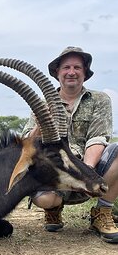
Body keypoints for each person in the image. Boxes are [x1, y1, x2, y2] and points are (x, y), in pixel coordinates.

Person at [22, 46, 118, 243]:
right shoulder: (42, 103)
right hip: (57, 174)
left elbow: (97, 138)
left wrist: (86, 172)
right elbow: (26, 142)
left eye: (77, 67)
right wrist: (40, 126)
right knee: (45, 198)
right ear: (58, 72)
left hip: (90, 174)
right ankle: (53, 209)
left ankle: (102, 211)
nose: (71, 72)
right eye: (66, 67)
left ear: (85, 72)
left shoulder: (100, 100)